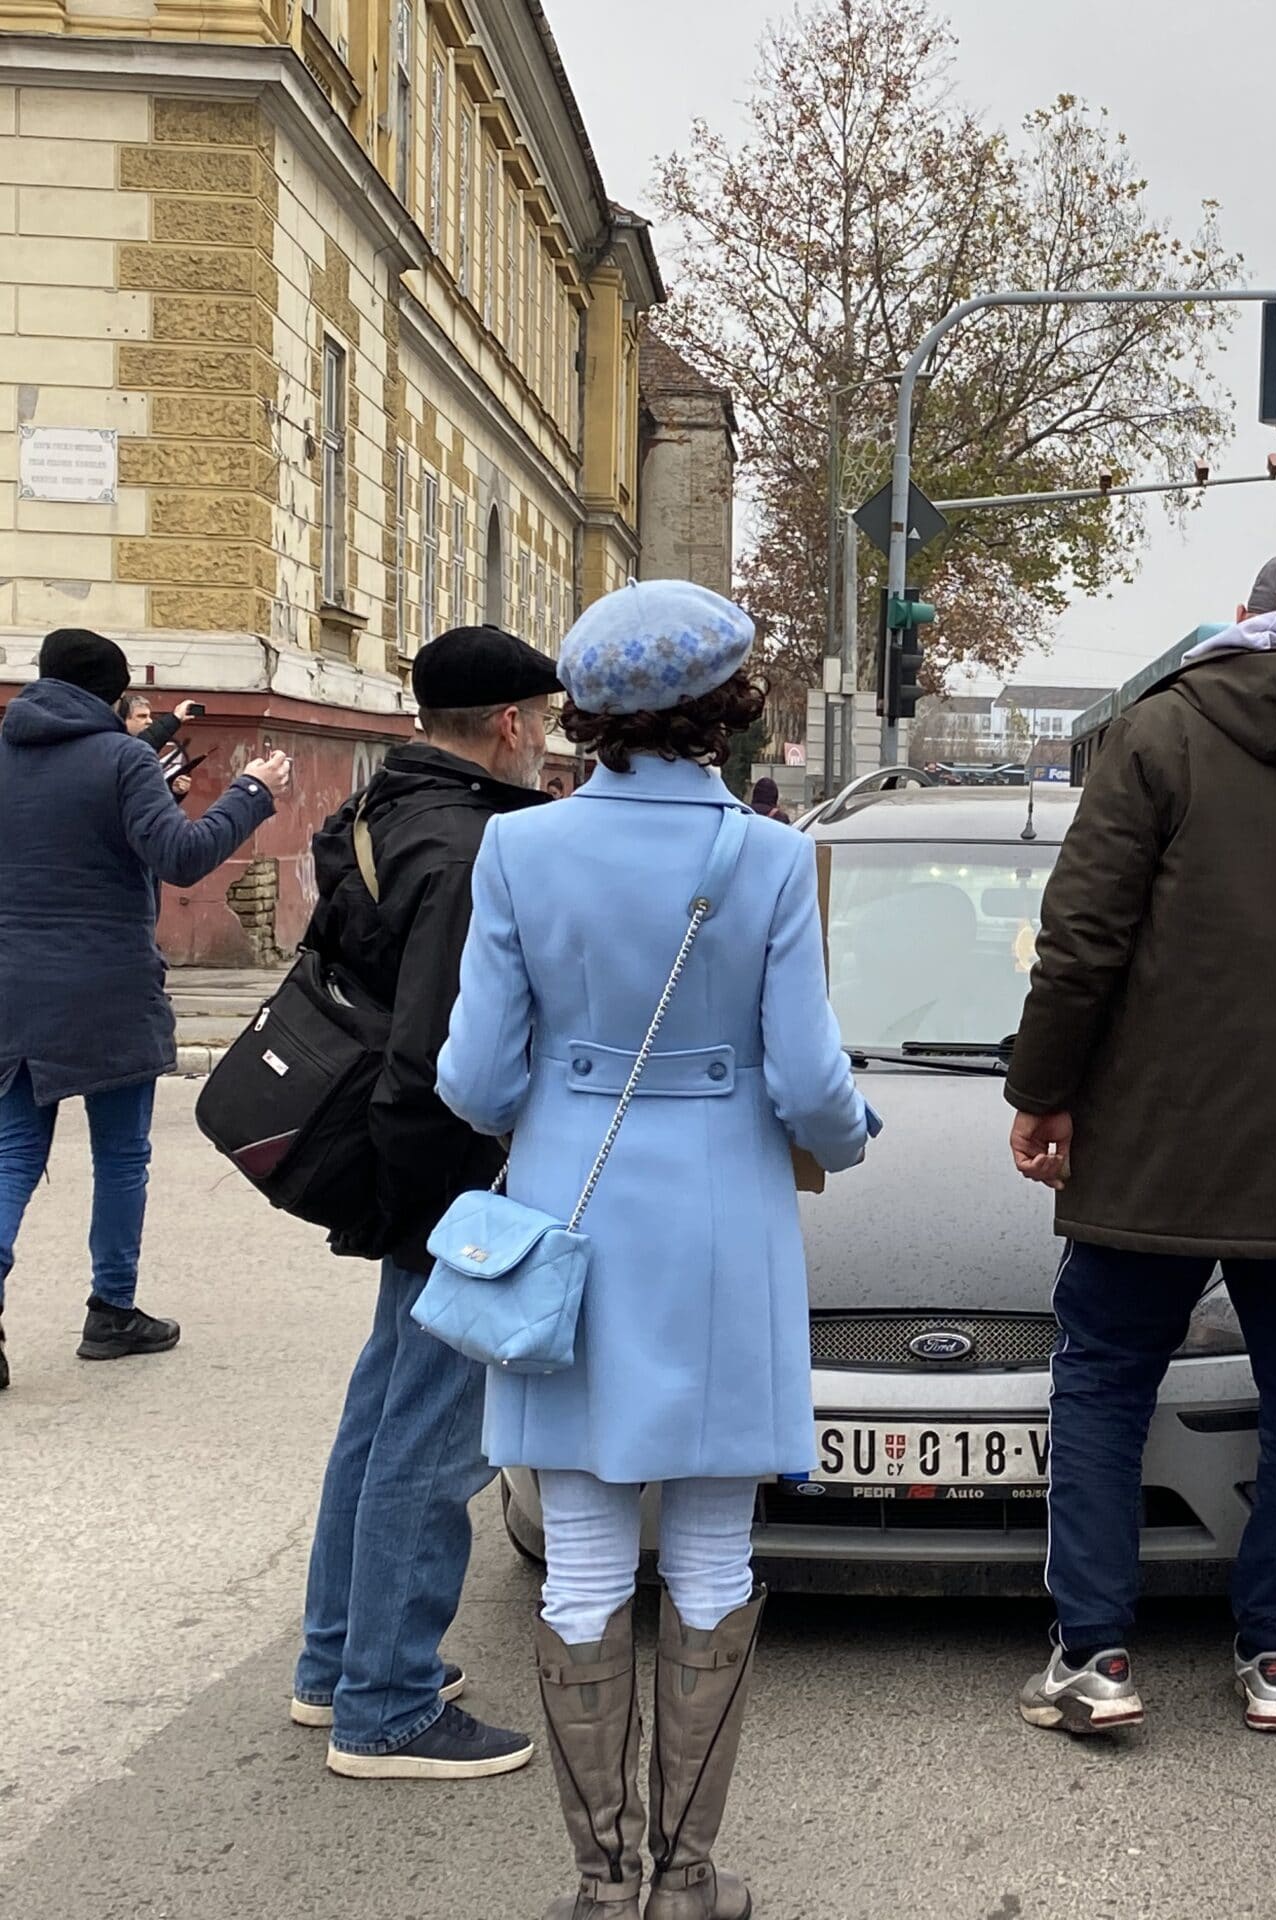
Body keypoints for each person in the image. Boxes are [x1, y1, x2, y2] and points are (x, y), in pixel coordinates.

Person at [438, 580, 879, 1920]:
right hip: (721, 1233)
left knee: (577, 1549)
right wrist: (848, 1135)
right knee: (709, 1553)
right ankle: (684, 1878)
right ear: (728, 710)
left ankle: (600, 1881)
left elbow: (471, 1075)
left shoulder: (517, 853)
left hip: (569, 1220)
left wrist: (565, 1107)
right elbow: (808, 1084)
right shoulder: (766, 858)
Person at [1003, 549, 1276, 1738]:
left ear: (1244, 622)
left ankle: (1095, 1656)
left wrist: (1042, 1089)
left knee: (1102, 1375)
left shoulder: (1162, 738)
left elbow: (1082, 937)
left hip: (1157, 1134)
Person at [289, 626, 561, 1782]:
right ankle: (387, 1708)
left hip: (398, 1168)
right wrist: (438, 1211)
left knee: (379, 1413)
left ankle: (335, 1663)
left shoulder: (381, 805)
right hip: (442, 1176)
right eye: (543, 720)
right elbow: (433, 1060)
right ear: (505, 723)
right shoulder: (465, 849)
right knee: (434, 1437)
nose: (548, 741)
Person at [0, 628, 289, 1391]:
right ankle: (112, 1312)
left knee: (13, 1155)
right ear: (108, 693)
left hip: (11, 986)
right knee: (120, 1154)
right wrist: (252, 792)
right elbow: (183, 857)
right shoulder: (123, 758)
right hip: (109, 988)